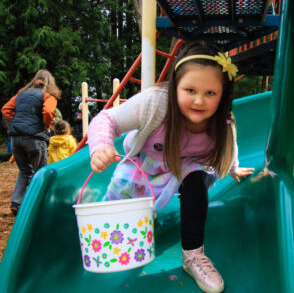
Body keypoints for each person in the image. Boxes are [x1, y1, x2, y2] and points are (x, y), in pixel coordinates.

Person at [88, 41, 253, 293]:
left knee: (197, 182)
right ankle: (141, 217)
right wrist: (101, 146)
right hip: (147, 161)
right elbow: (107, 119)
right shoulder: (155, 103)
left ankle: (193, 255)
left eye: (210, 93)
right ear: (175, 86)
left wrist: (233, 168)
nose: (199, 100)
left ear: (222, 95)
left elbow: (230, 146)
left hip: (189, 166)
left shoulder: (222, 120)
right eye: (190, 90)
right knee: (121, 194)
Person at [1, 69, 61, 216]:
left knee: (24, 171)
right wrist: (46, 125)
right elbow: (47, 112)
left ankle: (16, 202)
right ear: (49, 82)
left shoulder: (21, 94)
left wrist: (18, 122)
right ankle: (40, 203)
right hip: (34, 138)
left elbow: (5, 109)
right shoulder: (49, 95)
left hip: (16, 138)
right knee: (41, 172)